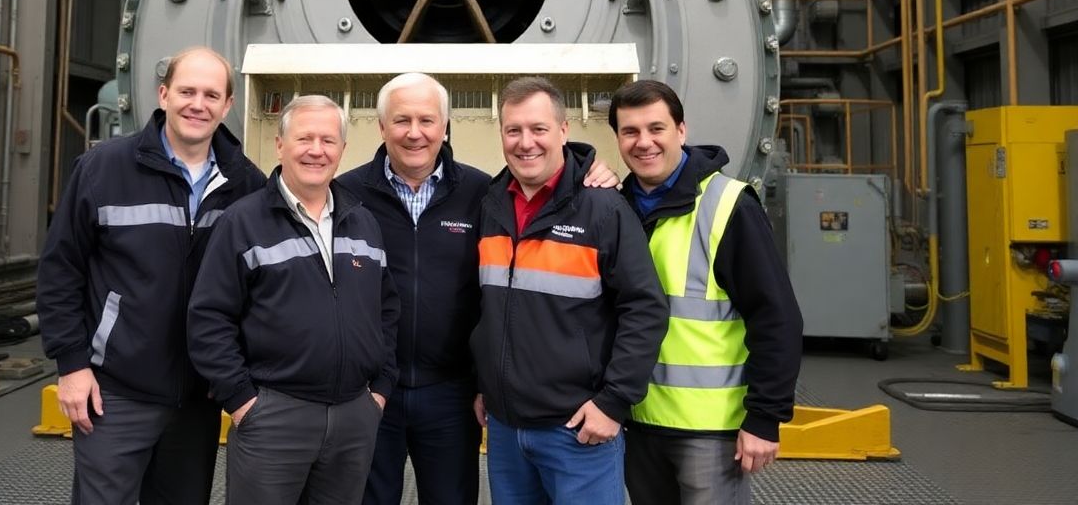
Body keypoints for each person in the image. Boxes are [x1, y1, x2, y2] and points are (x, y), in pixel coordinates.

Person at [338, 73, 625, 505]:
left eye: (427, 120)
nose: (414, 133)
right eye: (401, 121)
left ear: (445, 126)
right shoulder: (346, 194)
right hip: (371, 393)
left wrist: (588, 169)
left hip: (453, 395)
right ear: (382, 127)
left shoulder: (482, 194)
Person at [36, 46, 266, 505]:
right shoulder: (103, 169)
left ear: (228, 105)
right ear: (163, 95)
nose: (197, 104)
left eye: (210, 94)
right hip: (115, 392)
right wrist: (72, 366)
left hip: (198, 398)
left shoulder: (247, 186)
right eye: (186, 91)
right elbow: (61, 270)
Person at [188, 95, 399, 505]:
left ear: (341, 150)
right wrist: (243, 400)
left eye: (328, 140)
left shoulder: (363, 221)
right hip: (273, 415)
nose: (316, 150)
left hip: (354, 415)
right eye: (304, 138)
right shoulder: (243, 221)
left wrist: (380, 390)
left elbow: (386, 309)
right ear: (280, 146)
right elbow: (209, 317)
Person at [472, 76, 668, 505]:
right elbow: (488, 309)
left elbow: (645, 309)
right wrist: (486, 382)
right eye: (513, 130)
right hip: (505, 430)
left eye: (539, 129)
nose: (526, 143)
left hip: (578, 431)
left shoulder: (602, 207)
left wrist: (613, 403)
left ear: (563, 131)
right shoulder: (490, 205)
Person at [608, 79, 803, 505]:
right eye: (630, 132)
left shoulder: (729, 206)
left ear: (681, 130)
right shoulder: (617, 208)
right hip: (638, 422)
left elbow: (777, 318)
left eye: (656, 128)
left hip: (710, 431)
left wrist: (765, 418)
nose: (644, 143)